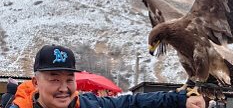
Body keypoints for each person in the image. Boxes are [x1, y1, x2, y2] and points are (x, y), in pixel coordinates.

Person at [10, 44, 206, 108]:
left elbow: (133, 103)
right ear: (35, 82)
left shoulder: (88, 103)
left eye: (69, 79)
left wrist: (180, 99)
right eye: (54, 78)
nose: (64, 87)